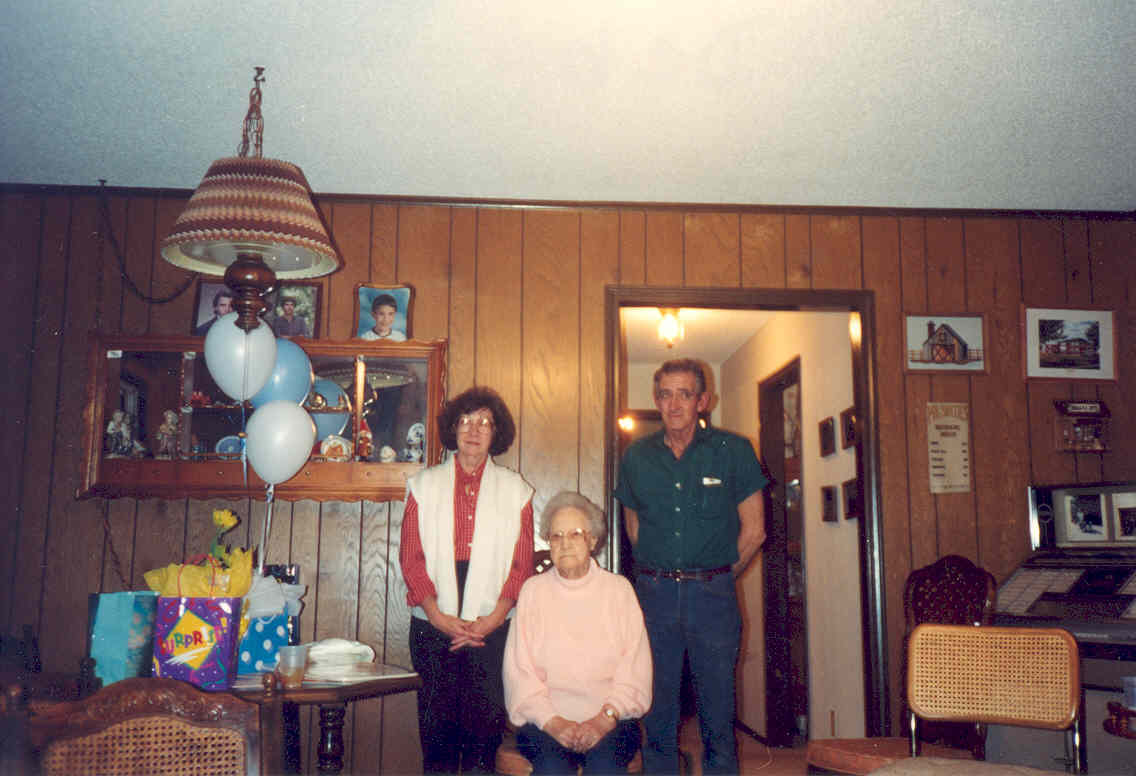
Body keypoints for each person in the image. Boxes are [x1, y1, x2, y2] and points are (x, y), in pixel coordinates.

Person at [614, 358, 768, 775]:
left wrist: (717, 576)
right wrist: (664, 569)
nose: (674, 404)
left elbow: (755, 531)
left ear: (703, 401)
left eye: (685, 394)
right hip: (655, 597)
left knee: (717, 715)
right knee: (656, 713)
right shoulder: (637, 457)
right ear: (656, 400)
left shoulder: (733, 451)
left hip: (713, 597)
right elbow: (633, 526)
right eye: (666, 394)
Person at [399, 386, 534, 774]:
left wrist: (492, 620)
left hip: (494, 623)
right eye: (465, 421)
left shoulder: (516, 490)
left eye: (484, 422)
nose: (474, 430)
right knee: (437, 740)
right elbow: (411, 558)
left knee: (483, 738)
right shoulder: (423, 485)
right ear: (452, 428)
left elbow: (521, 565)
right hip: (431, 619)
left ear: (496, 432)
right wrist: (437, 617)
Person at [503, 491, 652, 775]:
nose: (565, 544)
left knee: (605, 767)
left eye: (575, 534)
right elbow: (519, 674)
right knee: (552, 768)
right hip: (545, 723)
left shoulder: (619, 591)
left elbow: (635, 671)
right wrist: (553, 722)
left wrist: (603, 720)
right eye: (556, 536)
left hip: (612, 720)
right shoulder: (533, 592)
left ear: (593, 540)